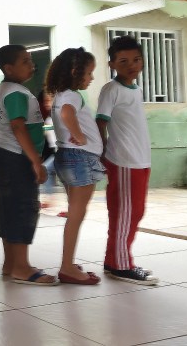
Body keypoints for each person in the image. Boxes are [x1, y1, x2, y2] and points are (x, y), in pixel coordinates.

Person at [0, 44, 56, 286]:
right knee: (23, 209)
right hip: (15, 156)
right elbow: (18, 127)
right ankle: (21, 267)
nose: (32, 66)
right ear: (9, 68)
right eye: (26, 62)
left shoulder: (9, 88)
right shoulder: (15, 92)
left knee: (9, 209)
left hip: (6, 154)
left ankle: (11, 263)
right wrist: (35, 161)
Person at [96, 35, 158, 285]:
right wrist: (101, 154)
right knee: (125, 214)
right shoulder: (111, 89)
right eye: (123, 61)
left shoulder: (135, 88)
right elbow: (101, 121)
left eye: (136, 60)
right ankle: (122, 265)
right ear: (112, 64)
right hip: (123, 161)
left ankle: (115, 260)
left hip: (140, 160)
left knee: (135, 212)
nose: (131, 65)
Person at [47, 47, 104, 286]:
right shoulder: (72, 95)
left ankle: (68, 262)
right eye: (89, 73)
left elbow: (65, 114)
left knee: (74, 212)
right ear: (74, 71)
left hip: (68, 157)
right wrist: (79, 135)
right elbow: (67, 115)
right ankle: (67, 266)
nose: (91, 78)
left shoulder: (60, 94)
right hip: (80, 157)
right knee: (77, 214)